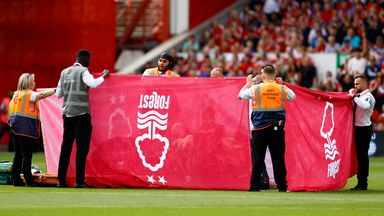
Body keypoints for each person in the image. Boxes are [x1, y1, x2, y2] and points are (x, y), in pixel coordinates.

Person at [56, 49, 110, 188]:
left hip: (67, 115)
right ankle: (79, 181)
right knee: (81, 150)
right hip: (81, 115)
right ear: (86, 60)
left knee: (65, 148)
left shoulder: (64, 72)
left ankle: (60, 181)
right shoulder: (84, 71)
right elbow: (93, 84)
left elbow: (59, 94)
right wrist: (104, 75)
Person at [238, 64, 296, 192]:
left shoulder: (256, 88)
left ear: (263, 76)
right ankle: (282, 187)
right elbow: (293, 97)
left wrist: (249, 83)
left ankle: (254, 186)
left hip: (259, 129)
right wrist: (282, 83)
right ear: (275, 76)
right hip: (277, 129)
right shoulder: (282, 88)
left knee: (258, 159)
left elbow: (240, 95)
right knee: (278, 158)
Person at [8, 73, 56, 186]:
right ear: (28, 82)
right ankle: (28, 180)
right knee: (27, 155)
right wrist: (55, 89)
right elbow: (41, 95)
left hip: (15, 127)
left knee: (18, 154)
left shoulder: (16, 94)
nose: (35, 83)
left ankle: (16, 179)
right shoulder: (28, 94)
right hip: (25, 128)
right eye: (33, 81)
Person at [348, 74, 375, 190]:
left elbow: (365, 105)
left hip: (364, 129)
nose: (355, 86)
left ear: (364, 83)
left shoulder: (369, 96)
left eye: (357, 84)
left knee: (363, 156)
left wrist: (354, 97)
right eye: (354, 84)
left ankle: (363, 183)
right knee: (359, 156)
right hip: (358, 127)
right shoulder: (359, 95)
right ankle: (361, 182)